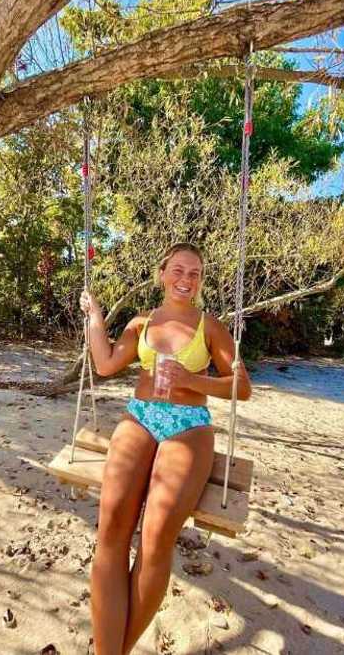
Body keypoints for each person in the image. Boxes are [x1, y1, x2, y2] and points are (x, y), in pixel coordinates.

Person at [78, 242, 251, 655]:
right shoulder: (141, 322)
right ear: (162, 273)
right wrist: (95, 318)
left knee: (155, 538)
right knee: (112, 530)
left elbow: (241, 386)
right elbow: (103, 364)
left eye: (194, 273)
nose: (185, 280)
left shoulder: (210, 326)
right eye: (178, 270)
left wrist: (193, 381)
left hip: (187, 427)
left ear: (201, 280)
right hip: (140, 417)